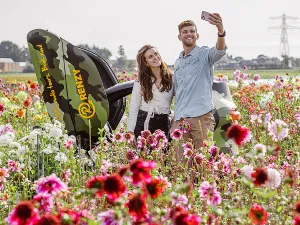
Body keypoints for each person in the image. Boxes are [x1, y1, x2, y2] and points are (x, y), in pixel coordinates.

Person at [171, 14, 227, 161]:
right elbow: (178, 92)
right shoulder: (178, 62)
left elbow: (220, 50)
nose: (189, 34)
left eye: (191, 31)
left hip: (201, 117)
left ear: (197, 35)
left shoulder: (204, 54)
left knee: (204, 161)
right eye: (185, 32)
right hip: (181, 119)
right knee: (182, 164)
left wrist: (220, 29)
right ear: (179, 37)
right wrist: (174, 121)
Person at [127, 45, 174, 139]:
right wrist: (130, 131)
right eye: (150, 57)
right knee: (143, 153)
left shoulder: (172, 78)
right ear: (146, 63)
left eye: (156, 54)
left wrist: (175, 118)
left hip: (164, 121)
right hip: (144, 121)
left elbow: (181, 100)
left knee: (164, 153)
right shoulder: (140, 81)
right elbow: (134, 107)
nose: (155, 57)